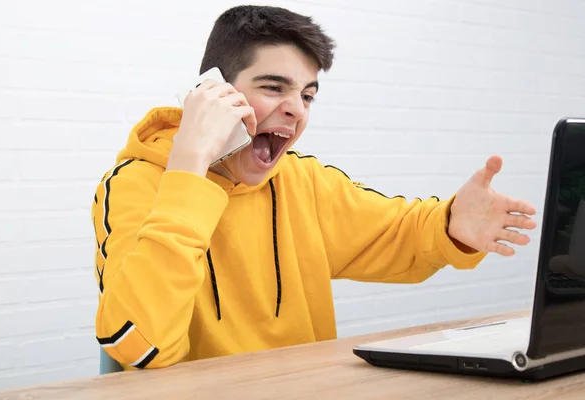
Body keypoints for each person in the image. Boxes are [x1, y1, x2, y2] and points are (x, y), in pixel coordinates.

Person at [91, 5, 537, 370]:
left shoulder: (302, 181)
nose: (296, 111)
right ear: (212, 92)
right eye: (273, 87)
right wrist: (190, 166)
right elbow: (138, 344)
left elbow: (398, 231)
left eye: (307, 95)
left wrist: (452, 224)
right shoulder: (135, 184)